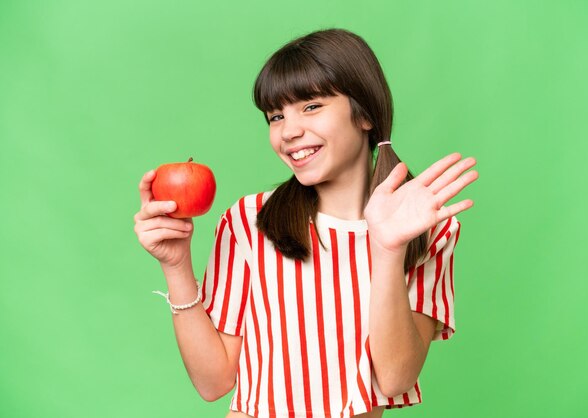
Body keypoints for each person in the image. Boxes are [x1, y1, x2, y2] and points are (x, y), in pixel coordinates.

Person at [134, 28, 478, 418]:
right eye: (275, 116)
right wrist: (176, 266)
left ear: (364, 113)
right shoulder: (249, 220)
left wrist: (387, 249)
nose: (288, 132)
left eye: (311, 106)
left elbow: (396, 377)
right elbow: (213, 383)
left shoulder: (427, 228)